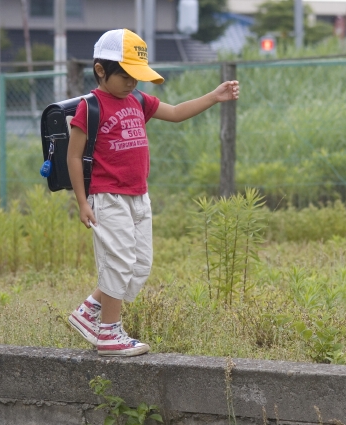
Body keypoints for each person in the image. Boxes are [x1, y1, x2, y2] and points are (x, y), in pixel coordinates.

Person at [66, 28, 239, 357]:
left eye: (137, 76)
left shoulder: (138, 100)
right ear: (101, 70)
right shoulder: (89, 108)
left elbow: (175, 113)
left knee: (139, 265)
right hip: (108, 196)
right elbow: (73, 156)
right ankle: (109, 333)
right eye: (126, 76)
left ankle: (89, 310)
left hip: (138, 196)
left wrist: (213, 96)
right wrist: (81, 202)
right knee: (117, 263)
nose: (132, 83)